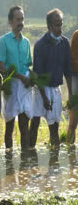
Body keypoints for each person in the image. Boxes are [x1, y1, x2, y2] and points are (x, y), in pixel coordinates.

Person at [30, 9, 72, 147]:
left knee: (54, 126)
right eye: (56, 25)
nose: (59, 28)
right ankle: (29, 158)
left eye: (61, 24)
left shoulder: (65, 43)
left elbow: (68, 72)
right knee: (35, 122)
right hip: (40, 89)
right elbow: (37, 74)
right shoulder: (40, 45)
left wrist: (71, 95)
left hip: (55, 88)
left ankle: (55, 161)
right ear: (49, 26)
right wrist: (44, 97)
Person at [0, 6, 33, 150]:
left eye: (22, 19)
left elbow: (27, 66)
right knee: (10, 125)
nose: (21, 22)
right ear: (10, 21)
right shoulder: (4, 41)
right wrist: (19, 76)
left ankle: (25, 162)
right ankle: (9, 161)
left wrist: (32, 77)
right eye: (18, 19)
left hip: (24, 87)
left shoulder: (26, 42)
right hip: (11, 86)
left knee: (25, 124)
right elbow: (1, 67)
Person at [67, 29, 78, 144]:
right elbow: (73, 60)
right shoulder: (77, 35)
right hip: (76, 77)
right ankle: (70, 147)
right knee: (73, 120)